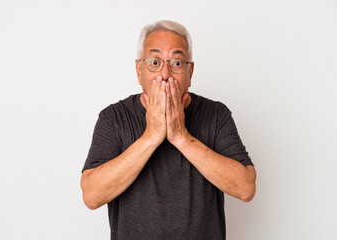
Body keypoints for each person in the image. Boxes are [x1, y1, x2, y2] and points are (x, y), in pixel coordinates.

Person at [81, 20, 256, 240]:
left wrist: (181, 136)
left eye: (177, 63)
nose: (165, 74)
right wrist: (151, 137)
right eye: (154, 62)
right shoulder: (113, 118)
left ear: (190, 72)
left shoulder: (216, 115)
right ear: (139, 70)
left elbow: (246, 187)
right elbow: (91, 195)